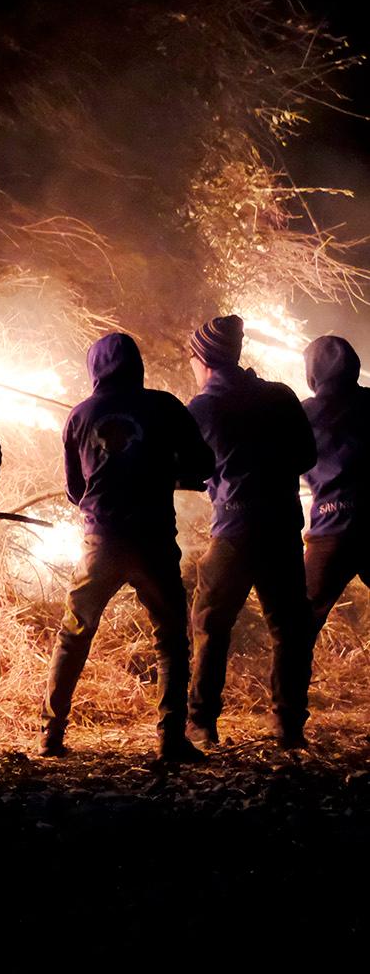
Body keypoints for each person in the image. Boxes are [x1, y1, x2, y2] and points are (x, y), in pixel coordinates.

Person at [42, 332, 215, 761]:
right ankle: (171, 738)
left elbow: (73, 489)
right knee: (172, 637)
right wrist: (166, 473)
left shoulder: (79, 416)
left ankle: (50, 734)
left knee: (74, 632)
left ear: (94, 370)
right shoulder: (165, 407)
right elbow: (203, 465)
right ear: (137, 366)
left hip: (100, 542)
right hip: (154, 539)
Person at [182, 315, 316, 749]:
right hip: (280, 527)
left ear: (203, 360)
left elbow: (186, 471)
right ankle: (288, 725)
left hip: (235, 530)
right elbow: (306, 457)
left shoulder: (201, 408)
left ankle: (200, 724)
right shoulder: (279, 396)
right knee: (290, 628)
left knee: (209, 623)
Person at [303, 336, 370, 655]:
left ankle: (287, 705)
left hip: (331, 527)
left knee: (299, 625)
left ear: (312, 374)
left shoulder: (305, 413)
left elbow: (290, 461)